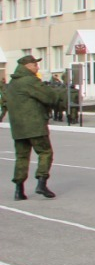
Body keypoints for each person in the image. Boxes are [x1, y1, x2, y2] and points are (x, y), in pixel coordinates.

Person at [6, 54, 64, 199]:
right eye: (35, 64)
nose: (37, 67)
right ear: (27, 66)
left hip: (18, 128)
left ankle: (19, 190)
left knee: (21, 157)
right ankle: (41, 183)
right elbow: (49, 96)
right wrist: (58, 98)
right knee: (45, 152)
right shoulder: (30, 81)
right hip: (34, 125)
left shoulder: (12, 83)